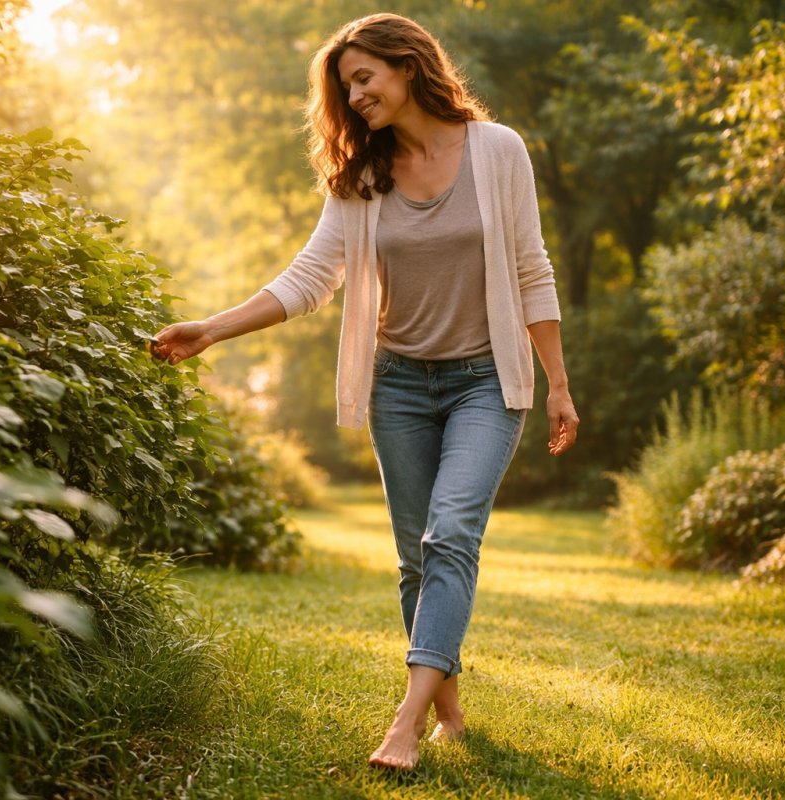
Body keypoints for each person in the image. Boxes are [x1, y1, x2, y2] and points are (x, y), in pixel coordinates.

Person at [151, 12, 579, 771]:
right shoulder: (362, 177)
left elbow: (530, 267)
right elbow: (310, 278)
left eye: (363, 78)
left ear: (408, 66)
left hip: (487, 382)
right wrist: (212, 329)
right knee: (416, 559)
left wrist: (558, 384)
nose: (354, 98)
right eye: (346, 87)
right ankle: (448, 709)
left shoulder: (498, 150)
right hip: (400, 386)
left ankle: (405, 723)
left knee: (450, 534)